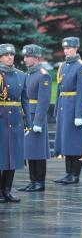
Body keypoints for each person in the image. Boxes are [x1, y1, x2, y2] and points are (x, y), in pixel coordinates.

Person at [54, 37, 82, 184]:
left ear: (76, 48)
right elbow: (59, 90)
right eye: (65, 48)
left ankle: (75, 174)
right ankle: (68, 173)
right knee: (66, 142)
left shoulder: (81, 67)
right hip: (64, 107)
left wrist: (79, 114)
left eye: (69, 48)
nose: (66, 50)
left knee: (74, 142)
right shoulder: (63, 66)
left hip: (73, 108)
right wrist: (56, 110)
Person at [17, 45, 52, 192]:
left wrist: (38, 122)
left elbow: (44, 101)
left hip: (36, 118)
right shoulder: (29, 74)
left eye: (27, 57)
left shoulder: (43, 75)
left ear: (36, 58)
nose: (24, 59)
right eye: (24, 56)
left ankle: (39, 182)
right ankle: (33, 181)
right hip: (27, 117)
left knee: (38, 152)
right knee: (30, 150)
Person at [0, 44, 30, 203]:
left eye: (11, 54)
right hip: (1, 119)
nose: (10, 57)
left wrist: (28, 123)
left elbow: (25, 99)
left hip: (16, 120)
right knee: (1, 156)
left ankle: (7, 190)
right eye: (6, 55)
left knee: (13, 157)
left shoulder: (21, 75)